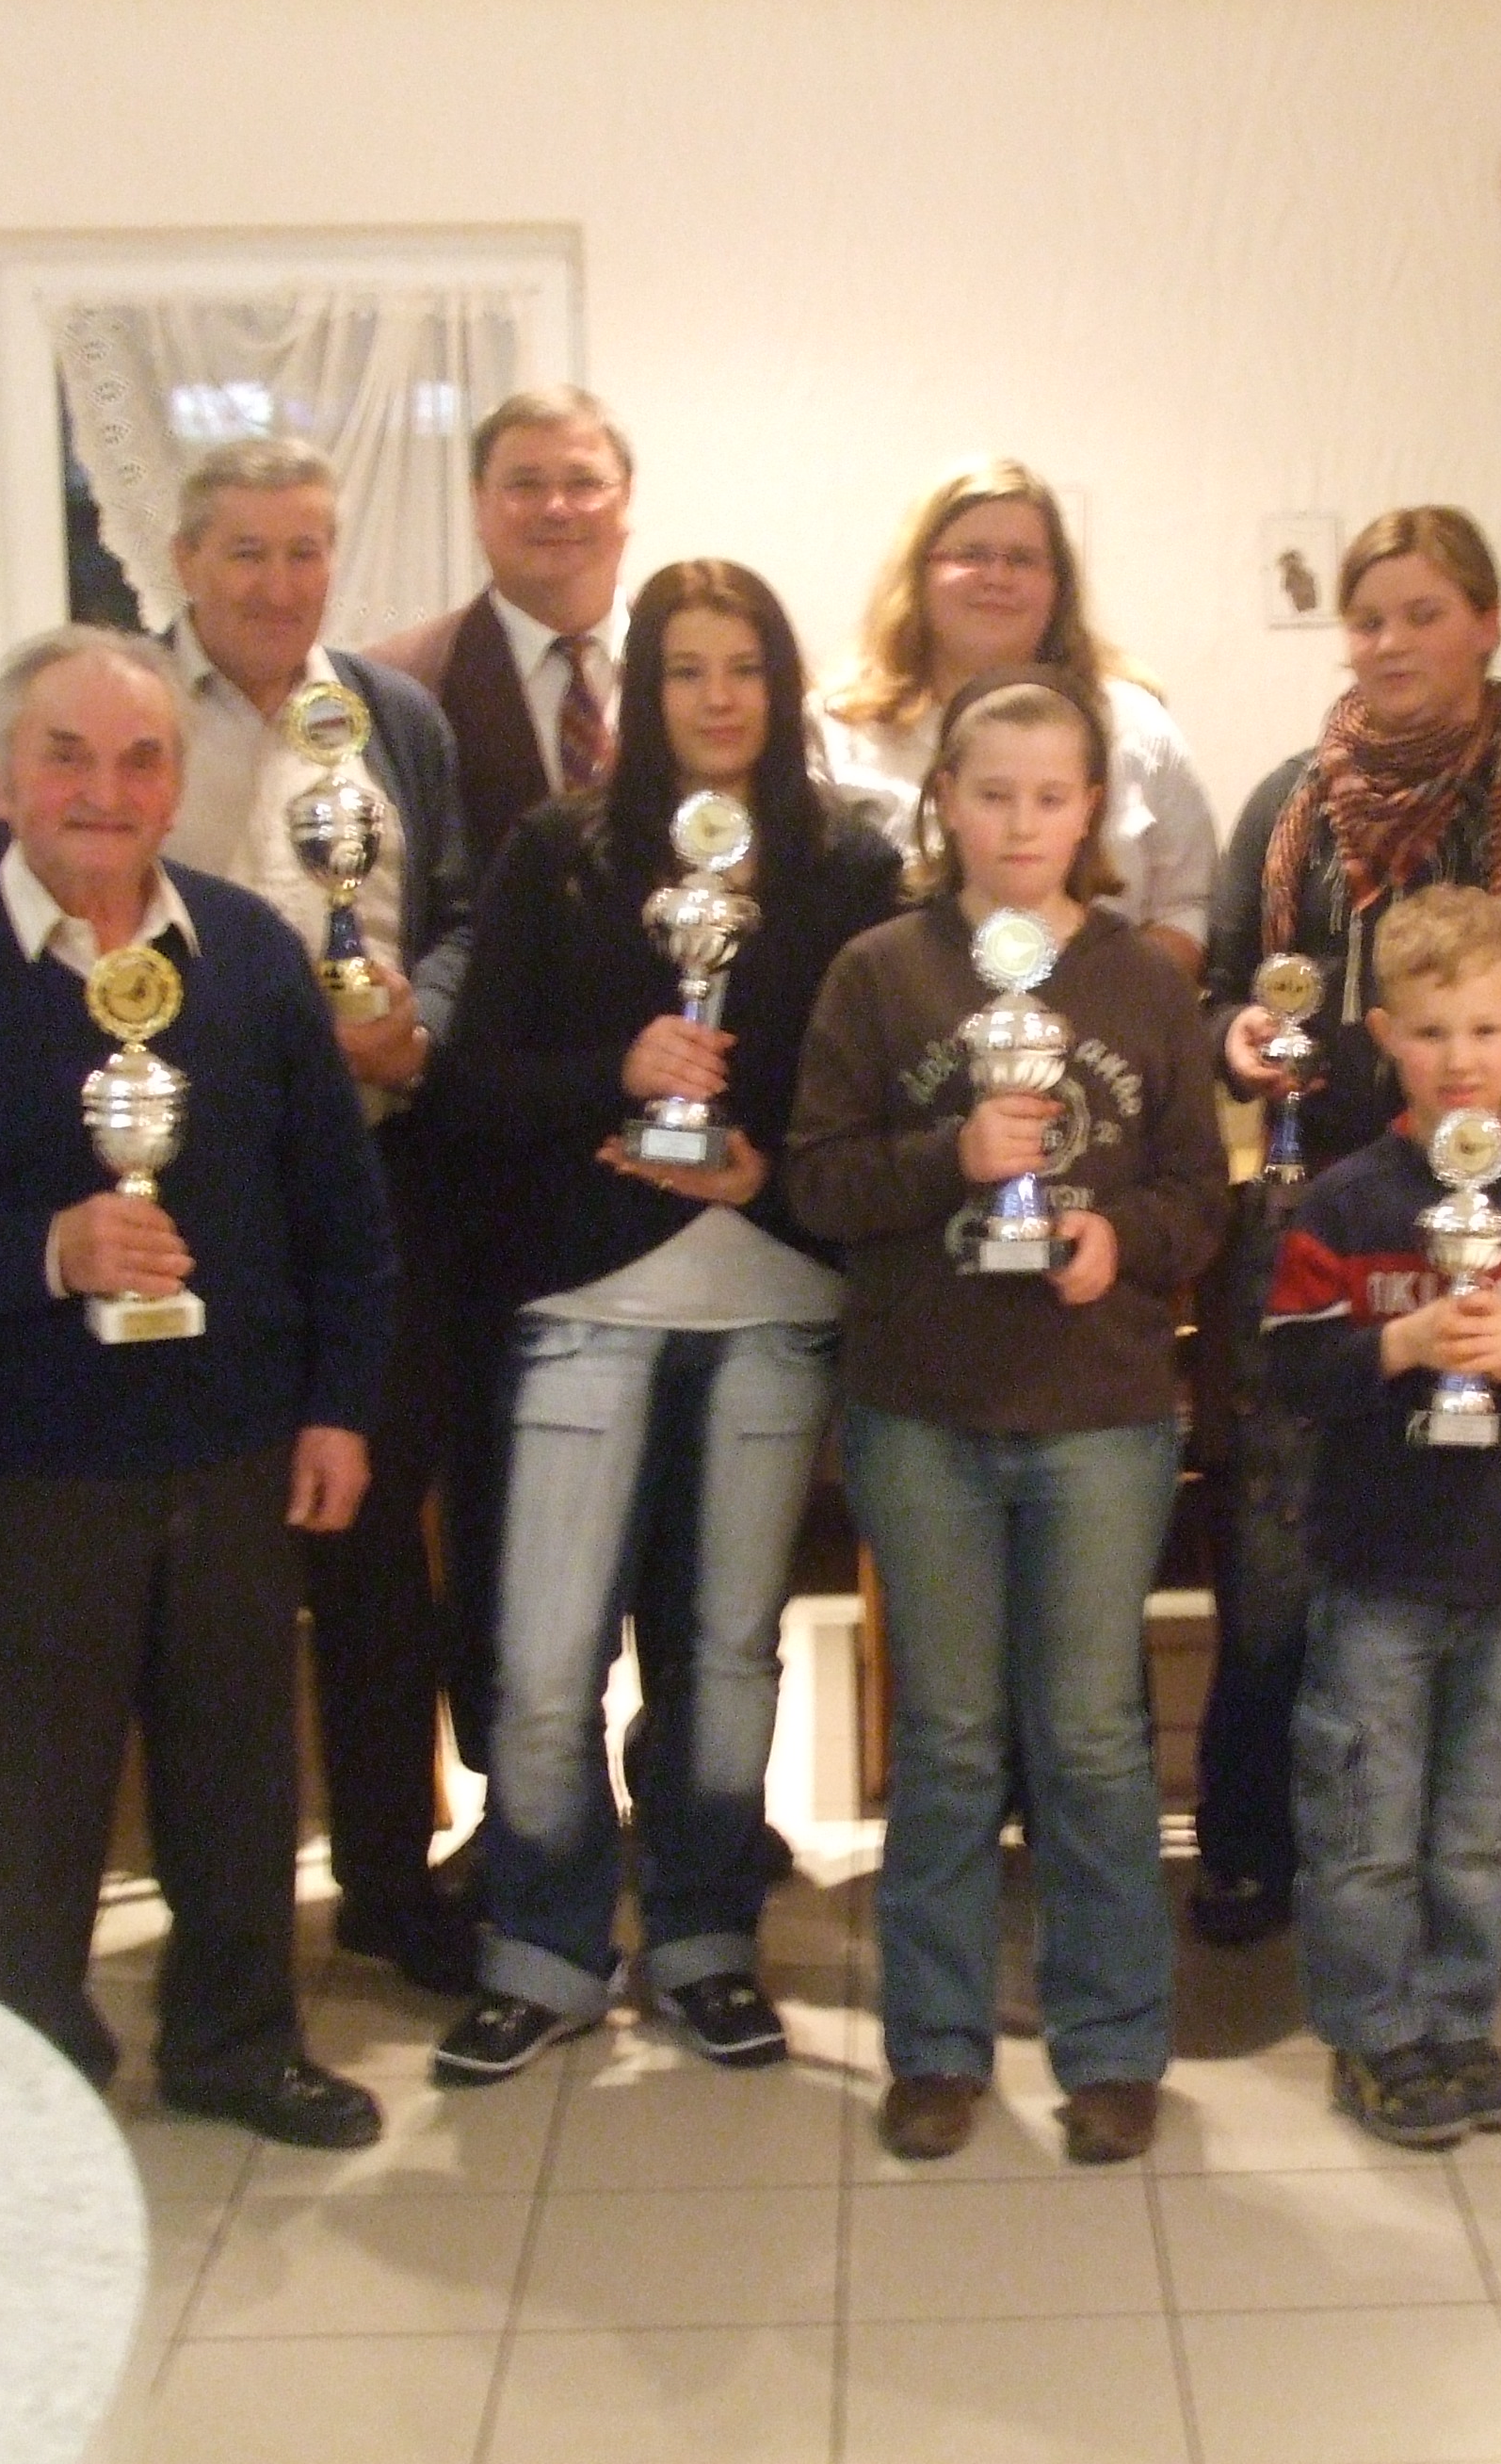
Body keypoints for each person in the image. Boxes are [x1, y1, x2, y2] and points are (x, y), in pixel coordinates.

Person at [0, 625, 396, 2148]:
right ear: (3, 779)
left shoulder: (249, 954)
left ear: (175, 784)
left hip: (233, 1447)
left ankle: (236, 2044)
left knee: (239, 1777)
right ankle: (40, 2061)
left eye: (139, 760)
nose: (103, 790)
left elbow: (340, 1212)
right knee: (35, 1792)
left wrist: (337, 1404)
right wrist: (48, 1250)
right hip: (21, 1460)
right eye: (65, 756)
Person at [418, 561, 898, 2084]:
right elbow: (474, 1083)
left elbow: (874, 1086)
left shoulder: (849, 863)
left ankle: (703, 1942)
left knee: (727, 1658)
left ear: (783, 682)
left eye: (743, 667)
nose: (717, 697)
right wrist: (614, 1074)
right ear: (640, 688)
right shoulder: (559, 851)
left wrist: (762, 1168)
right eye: (685, 669)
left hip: (772, 1299)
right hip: (585, 1303)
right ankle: (545, 1950)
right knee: (545, 1660)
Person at [786, 669, 1228, 2166]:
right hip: (924, 1411)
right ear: (945, 803)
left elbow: (1197, 1193)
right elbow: (820, 1180)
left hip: (1101, 1410)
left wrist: (1120, 1239)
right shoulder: (880, 972)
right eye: (993, 795)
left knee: (1094, 1737)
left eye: (1051, 797)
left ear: (1092, 808)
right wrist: (951, 1157)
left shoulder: (1143, 981)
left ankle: (1113, 2044)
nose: (1022, 824)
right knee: (952, 1735)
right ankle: (936, 2042)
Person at [1192, 506, 1501, 1949]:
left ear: (1488, 624)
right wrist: (1234, 1033)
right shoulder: (1288, 800)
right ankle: (1256, 1838)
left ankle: (1445, 1850)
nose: (1393, 641)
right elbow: (1224, 982)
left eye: (1425, 613)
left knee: (1471, 1538)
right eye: (1370, 618)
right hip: (1321, 1216)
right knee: (1284, 1536)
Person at [1263, 886, 1501, 2148]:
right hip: (1377, 1567)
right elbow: (1291, 1367)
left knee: (1480, 1827)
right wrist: (1397, 1344)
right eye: (1430, 1032)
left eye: (1485, 1029)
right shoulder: (1344, 1202)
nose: (1459, 1058)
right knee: (1365, 1822)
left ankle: (1460, 2022)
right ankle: (1374, 2036)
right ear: (1384, 1036)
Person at [164, 434, 476, 1994]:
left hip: (371, 1190)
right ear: (182, 564)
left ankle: (386, 1880)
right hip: (192, 1203)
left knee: (374, 1559)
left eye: (305, 551)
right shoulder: (132, 718)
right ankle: (222, 1905)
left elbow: (463, 913)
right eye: (246, 552)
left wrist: (422, 1020)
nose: (279, 583)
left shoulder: (391, 716)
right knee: (215, 1566)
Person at [815, 457, 1217, 978]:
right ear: (917, 572)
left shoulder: (1134, 725)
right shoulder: (836, 728)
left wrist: (1100, 1004)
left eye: (1023, 559)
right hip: (896, 1019)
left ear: (1057, 584)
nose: (997, 577)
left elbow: (1187, 906)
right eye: (972, 555)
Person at [367, 385, 631, 886]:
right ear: (478, 502)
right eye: (525, 485)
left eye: (584, 483)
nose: (556, 508)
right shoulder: (399, 685)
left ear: (627, 496)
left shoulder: (698, 669)